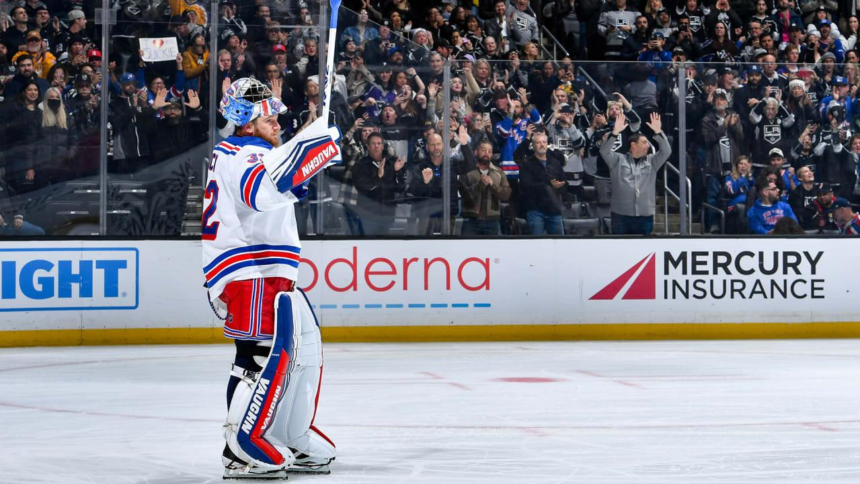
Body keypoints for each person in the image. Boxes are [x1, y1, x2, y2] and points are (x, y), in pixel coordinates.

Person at [203, 78, 336, 479]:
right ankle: (238, 449)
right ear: (246, 122)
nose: (277, 120)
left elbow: (282, 187)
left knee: (302, 347)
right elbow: (260, 192)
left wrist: (307, 147)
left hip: (263, 269)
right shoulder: (244, 153)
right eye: (268, 115)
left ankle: (287, 434)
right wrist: (314, 149)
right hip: (250, 269)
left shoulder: (246, 150)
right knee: (257, 359)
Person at [600, 112, 671, 235]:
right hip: (621, 215)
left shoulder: (652, 161)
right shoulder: (618, 160)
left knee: (643, 251)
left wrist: (658, 132)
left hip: (645, 215)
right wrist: (614, 133)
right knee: (620, 251)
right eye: (644, 142)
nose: (648, 146)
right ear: (633, 145)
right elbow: (604, 151)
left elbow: (666, 151)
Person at [518, 131, 568, 235]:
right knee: (536, 245)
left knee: (559, 244)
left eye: (544, 142)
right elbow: (525, 187)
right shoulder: (527, 165)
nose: (542, 145)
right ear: (533, 145)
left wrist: (559, 186)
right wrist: (548, 184)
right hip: (535, 210)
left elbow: (565, 184)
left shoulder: (555, 163)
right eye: (538, 142)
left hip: (554, 210)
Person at [458, 139, 512, 235]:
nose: (486, 153)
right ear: (475, 152)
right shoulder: (466, 172)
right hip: (471, 221)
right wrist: (481, 185)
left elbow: (506, 194)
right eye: (483, 150)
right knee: (467, 250)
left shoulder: (499, 172)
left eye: (489, 151)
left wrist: (493, 186)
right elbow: (465, 195)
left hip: (493, 221)